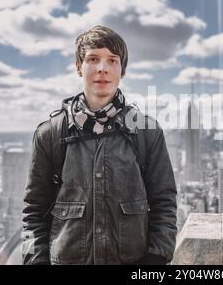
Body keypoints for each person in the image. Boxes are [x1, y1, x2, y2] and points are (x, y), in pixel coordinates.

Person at [22, 25, 177, 265]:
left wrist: (155, 261)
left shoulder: (147, 133)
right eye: (93, 59)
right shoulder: (50, 134)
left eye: (112, 60)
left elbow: (164, 204)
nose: (102, 68)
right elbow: (34, 212)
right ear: (78, 67)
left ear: (121, 71)